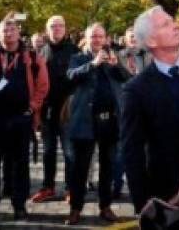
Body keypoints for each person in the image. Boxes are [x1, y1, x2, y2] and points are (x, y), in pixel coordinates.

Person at [120, 6, 179, 213]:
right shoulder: (136, 89)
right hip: (167, 194)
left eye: (173, 21)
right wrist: (144, 205)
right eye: (166, 24)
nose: (176, 25)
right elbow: (132, 150)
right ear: (151, 41)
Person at [0, 15, 50, 223]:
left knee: (20, 166)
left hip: (20, 120)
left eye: (12, 29)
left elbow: (43, 86)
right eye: (4, 30)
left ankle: (19, 206)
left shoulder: (32, 57)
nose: (8, 32)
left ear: (18, 32)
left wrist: (32, 108)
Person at [64, 23, 130, 225]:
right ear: (87, 37)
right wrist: (92, 64)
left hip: (110, 119)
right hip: (85, 120)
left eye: (100, 37)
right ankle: (76, 208)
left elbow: (127, 78)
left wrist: (115, 65)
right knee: (80, 168)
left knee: (108, 166)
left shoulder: (113, 56)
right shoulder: (79, 57)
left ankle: (105, 206)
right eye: (93, 36)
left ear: (106, 38)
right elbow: (70, 76)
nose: (97, 40)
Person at [33, 15, 79, 203]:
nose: (57, 29)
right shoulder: (39, 53)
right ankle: (48, 186)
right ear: (47, 29)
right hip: (46, 110)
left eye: (60, 26)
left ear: (65, 28)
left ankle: (70, 187)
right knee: (48, 151)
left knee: (69, 152)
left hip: (67, 110)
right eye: (53, 26)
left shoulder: (75, 51)